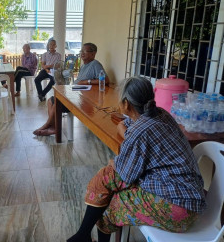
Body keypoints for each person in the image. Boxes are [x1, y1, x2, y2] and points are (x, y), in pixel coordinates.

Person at [67, 76, 206, 242]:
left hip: (179, 208)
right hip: (189, 194)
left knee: (108, 203)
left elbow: (126, 174)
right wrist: (123, 131)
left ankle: (82, 235)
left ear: (126, 104)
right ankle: (82, 235)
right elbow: (136, 130)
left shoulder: (140, 132)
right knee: (109, 178)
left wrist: (115, 163)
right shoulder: (161, 114)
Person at [33, 43, 109, 136]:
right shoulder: (83, 65)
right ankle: (54, 128)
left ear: (93, 53)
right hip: (76, 95)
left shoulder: (95, 64)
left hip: (83, 101)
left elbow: (106, 80)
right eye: (81, 51)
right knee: (50, 100)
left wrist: (86, 82)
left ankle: (48, 125)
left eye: (85, 51)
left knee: (56, 102)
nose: (82, 53)